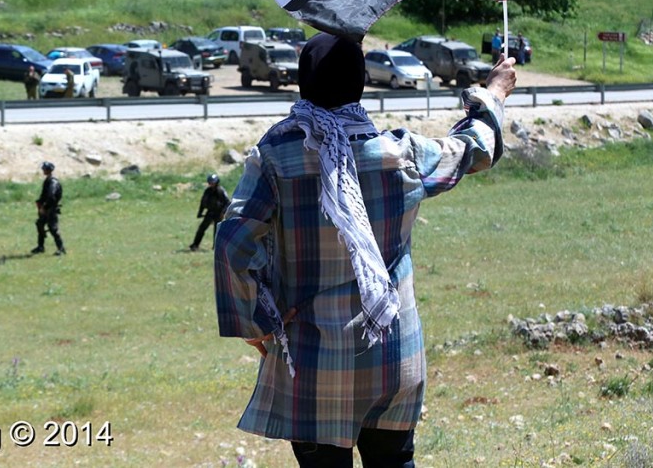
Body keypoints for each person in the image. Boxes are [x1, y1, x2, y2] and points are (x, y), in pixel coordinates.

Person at [214, 33, 516, 467]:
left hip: (315, 366)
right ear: (360, 83)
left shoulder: (276, 157)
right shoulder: (400, 152)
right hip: (394, 359)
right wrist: (493, 93)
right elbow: (473, 149)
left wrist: (258, 320)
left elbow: (233, 242)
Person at [32, 161, 66, 256]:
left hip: (50, 209)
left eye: (44, 169)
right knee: (40, 224)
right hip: (46, 208)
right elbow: (44, 195)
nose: (43, 170)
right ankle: (40, 247)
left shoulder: (53, 182)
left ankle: (61, 248)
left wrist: (45, 207)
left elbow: (51, 197)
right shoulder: (48, 180)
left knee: (53, 229)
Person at [190, 173, 229, 252]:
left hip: (219, 213)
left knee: (217, 231)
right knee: (201, 228)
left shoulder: (221, 191)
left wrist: (223, 212)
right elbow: (203, 202)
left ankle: (217, 247)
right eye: (210, 182)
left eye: (212, 182)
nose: (211, 184)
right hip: (210, 212)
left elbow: (227, 202)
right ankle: (195, 245)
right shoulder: (207, 191)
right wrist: (200, 212)